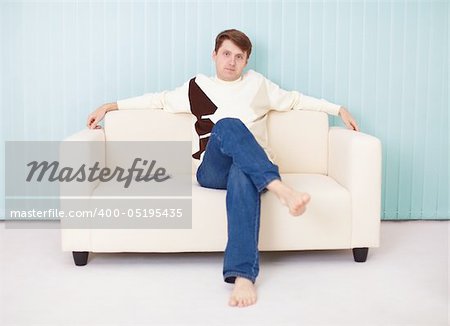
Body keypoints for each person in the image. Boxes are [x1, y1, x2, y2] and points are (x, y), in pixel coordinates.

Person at [87, 29, 359, 308]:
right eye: (226, 54)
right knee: (228, 124)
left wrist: (338, 109)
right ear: (214, 55)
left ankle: (243, 276)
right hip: (212, 170)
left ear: (246, 61)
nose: (231, 62)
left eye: (239, 57)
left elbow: (296, 100)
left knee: (243, 173)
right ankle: (279, 188)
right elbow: (156, 100)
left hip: (249, 168)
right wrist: (111, 106)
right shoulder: (197, 86)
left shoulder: (258, 84)